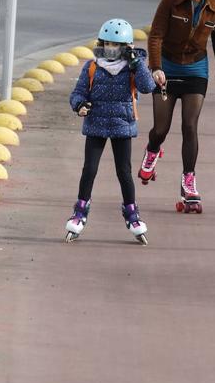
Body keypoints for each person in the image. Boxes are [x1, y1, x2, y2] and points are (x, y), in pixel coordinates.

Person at [138, 0, 215, 213]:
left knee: (190, 126)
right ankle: (152, 150)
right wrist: (156, 67)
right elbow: (156, 35)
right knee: (161, 128)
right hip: (167, 69)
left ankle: (189, 181)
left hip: (196, 70)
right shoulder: (170, 0)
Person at [66, 18, 156, 245]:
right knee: (89, 169)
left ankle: (132, 214)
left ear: (126, 46)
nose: (110, 48)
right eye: (107, 43)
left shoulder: (133, 66)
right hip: (96, 123)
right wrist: (80, 105)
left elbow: (147, 87)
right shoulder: (92, 66)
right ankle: (80, 211)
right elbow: (78, 93)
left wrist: (136, 63)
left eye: (116, 44)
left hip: (122, 125)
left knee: (124, 172)